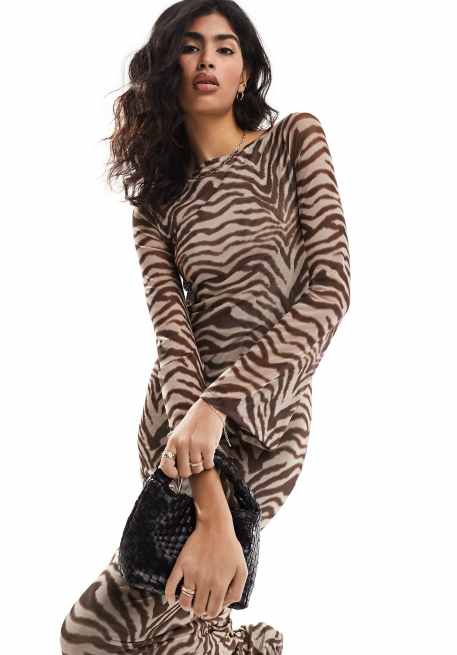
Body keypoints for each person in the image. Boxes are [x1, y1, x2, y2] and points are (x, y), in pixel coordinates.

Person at [60, 1, 351, 653]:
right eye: (190, 47)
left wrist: (219, 406)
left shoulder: (293, 140)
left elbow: (330, 290)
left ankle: (227, 641)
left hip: (264, 421)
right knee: (138, 626)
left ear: (245, 72)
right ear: (168, 67)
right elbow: (172, 332)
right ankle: (225, 641)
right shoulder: (156, 201)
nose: (207, 61)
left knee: (93, 633)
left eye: (224, 48)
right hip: (178, 423)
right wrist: (198, 452)